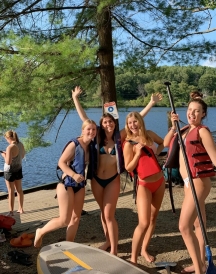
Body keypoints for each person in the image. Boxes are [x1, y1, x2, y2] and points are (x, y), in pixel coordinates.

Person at [72, 86, 162, 255]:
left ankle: (113, 250)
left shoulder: (119, 137)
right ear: (101, 125)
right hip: (97, 180)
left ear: (114, 123)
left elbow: (137, 118)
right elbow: (84, 119)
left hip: (113, 179)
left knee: (109, 215)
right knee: (103, 213)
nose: (108, 124)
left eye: (110, 122)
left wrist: (151, 102)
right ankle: (108, 241)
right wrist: (76, 98)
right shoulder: (96, 136)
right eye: (105, 122)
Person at [164, 92, 216, 274]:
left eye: (197, 111)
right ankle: (200, 263)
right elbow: (165, 143)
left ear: (203, 114)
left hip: (199, 182)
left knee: (183, 226)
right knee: (197, 224)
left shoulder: (202, 131)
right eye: (190, 110)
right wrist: (173, 126)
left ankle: (200, 271)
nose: (192, 114)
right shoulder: (184, 129)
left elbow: (215, 159)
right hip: (188, 182)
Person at [34, 119, 97, 248]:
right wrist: (73, 175)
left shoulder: (91, 146)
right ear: (83, 130)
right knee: (64, 220)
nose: (91, 132)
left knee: (75, 218)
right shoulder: (74, 144)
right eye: (88, 129)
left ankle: (69, 245)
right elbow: (61, 162)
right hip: (66, 184)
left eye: (94, 129)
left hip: (80, 186)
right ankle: (40, 231)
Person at [123, 112, 165, 264]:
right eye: (129, 123)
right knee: (143, 222)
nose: (133, 125)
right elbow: (128, 166)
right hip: (144, 184)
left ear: (140, 121)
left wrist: (156, 153)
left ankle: (144, 249)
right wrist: (138, 153)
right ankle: (133, 259)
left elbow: (163, 143)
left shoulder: (149, 134)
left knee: (153, 218)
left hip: (160, 180)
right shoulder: (128, 143)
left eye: (135, 122)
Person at [1, 130, 25, 216]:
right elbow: (22, 156)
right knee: (19, 189)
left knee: (11, 191)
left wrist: (4, 155)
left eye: (6, 139)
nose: (6, 141)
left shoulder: (10, 147)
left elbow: (8, 162)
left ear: (9, 138)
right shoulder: (20, 144)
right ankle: (21, 209)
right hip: (18, 169)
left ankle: (11, 211)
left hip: (9, 171)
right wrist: (9, 154)